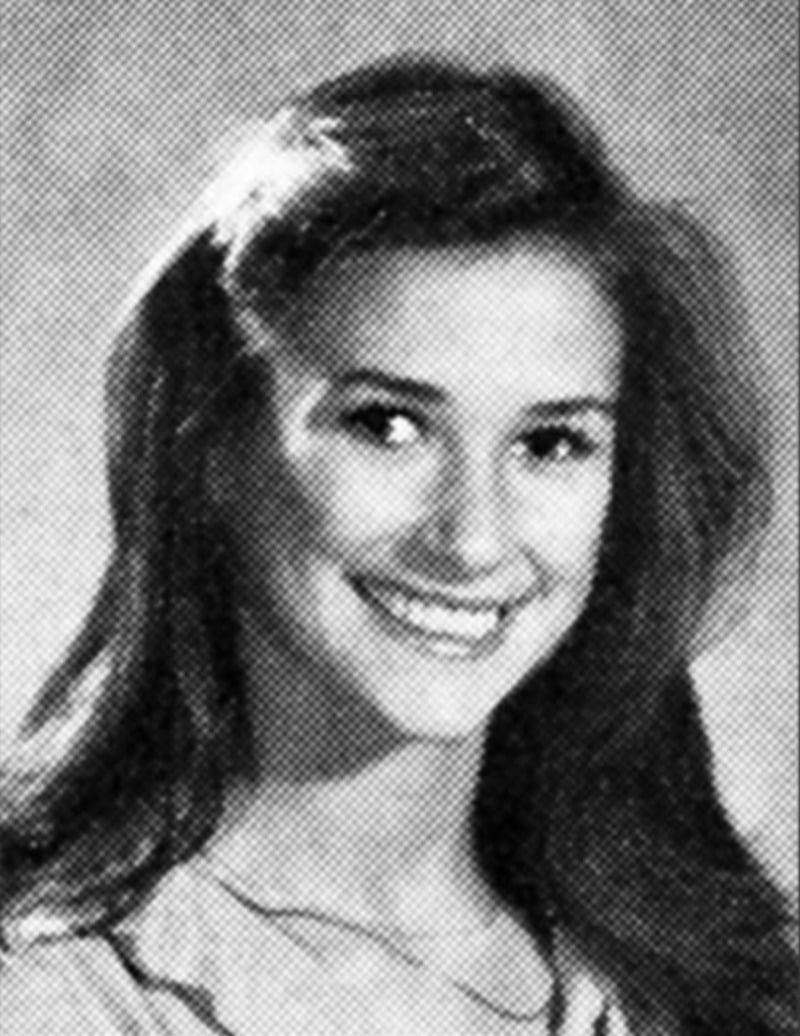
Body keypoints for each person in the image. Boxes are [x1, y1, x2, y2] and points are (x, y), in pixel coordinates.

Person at [0, 54, 795, 1036]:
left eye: (549, 442)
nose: (471, 538)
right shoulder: (54, 992)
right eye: (386, 424)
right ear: (208, 444)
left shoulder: (688, 980)